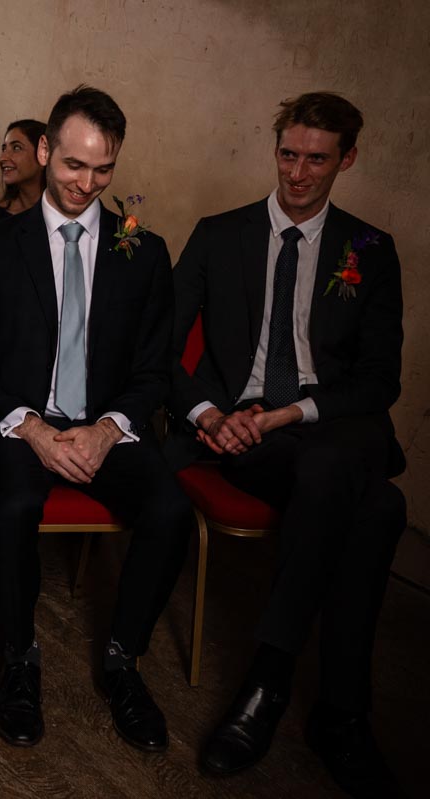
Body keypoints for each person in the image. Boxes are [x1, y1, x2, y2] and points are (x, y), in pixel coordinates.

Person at [168, 92, 406, 798]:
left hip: (324, 425)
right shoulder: (219, 233)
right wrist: (212, 415)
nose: (298, 174)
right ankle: (342, 713)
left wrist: (289, 413)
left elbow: (378, 380)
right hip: (244, 433)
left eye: (317, 159)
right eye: (288, 155)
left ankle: (268, 682)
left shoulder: (369, 249)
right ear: (276, 151)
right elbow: (160, 350)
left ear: (347, 159)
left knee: (338, 464)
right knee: (382, 509)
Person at [0, 86, 191, 753]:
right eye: (74, 165)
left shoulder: (142, 250)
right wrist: (31, 427)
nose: (88, 183)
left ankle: (123, 659)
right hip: (16, 423)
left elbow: (154, 369)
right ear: (45, 150)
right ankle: (21, 660)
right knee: (18, 498)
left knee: (170, 508)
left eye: (104, 169)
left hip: (103, 425)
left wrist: (107, 428)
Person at [0, 119, 47, 225]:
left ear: (44, 154)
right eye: (4, 149)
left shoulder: (65, 216)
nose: (2, 158)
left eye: (16, 148)